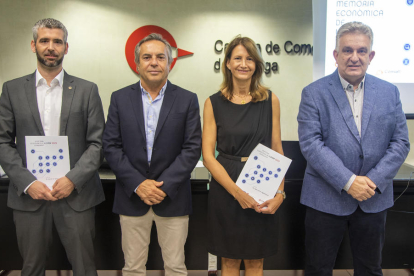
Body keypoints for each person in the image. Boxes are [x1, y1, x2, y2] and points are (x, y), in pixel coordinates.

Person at [298, 21, 410, 276]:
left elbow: (401, 142)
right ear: (336, 55)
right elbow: (311, 144)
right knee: (318, 269)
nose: (354, 57)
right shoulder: (314, 93)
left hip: (374, 197)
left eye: (361, 51)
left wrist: (371, 181)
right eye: (347, 50)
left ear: (371, 56)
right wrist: (349, 182)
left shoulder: (389, 92)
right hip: (325, 199)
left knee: (370, 269)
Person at [0, 18, 105, 276]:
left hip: (76, 195)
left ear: (66, 48)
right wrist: (28, 182)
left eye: (57, 41)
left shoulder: (87, 90)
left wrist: (72, 179)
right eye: (44, 41)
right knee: (31, 268)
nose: (51, 47)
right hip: (30, 195)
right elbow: (2, 141)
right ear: (33, 45)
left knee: (84, 268)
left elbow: (98, 143)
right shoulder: (12, 90)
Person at [102, 33, 201, 276]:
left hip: (173, 197)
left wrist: (161, 187)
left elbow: (192, 148)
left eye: (160, 57)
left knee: (176, 268)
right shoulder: (119, 98)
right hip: (131, 197)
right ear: (137, 64)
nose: (154, 62)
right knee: (133, 268)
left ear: (170, 63)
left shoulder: (187, 99)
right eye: (147, 57)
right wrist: (139, 184)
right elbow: (111, 146)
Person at [202, 36, 285, 275]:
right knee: (228, 260)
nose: (243, 64)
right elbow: (208, 156)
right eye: (237, 58)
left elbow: (277, 150)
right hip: (226, 185)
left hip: (262, 182)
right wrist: (237, 192)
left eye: (249, 59)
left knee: (255, 260)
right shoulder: (212, 103)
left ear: (256, 65)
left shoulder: (271, 100)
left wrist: (280, 192)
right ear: (227, 63)